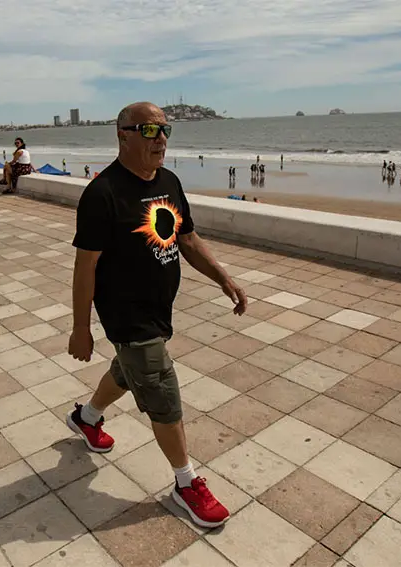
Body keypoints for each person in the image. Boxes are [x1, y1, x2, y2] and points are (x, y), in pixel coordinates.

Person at [68, 101, 246, 529]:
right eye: (149, 131)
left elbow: (186, 237)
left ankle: (86, 418)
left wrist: (223, 277)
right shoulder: (102, 194)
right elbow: (85, 266)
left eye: (165, 130)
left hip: (158, 311)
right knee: (162, 393)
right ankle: (186, 483)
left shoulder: (169, 181)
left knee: (129, 372)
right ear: (122, 135)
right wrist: (80, 329)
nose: (161, 139)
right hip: (127, 316)